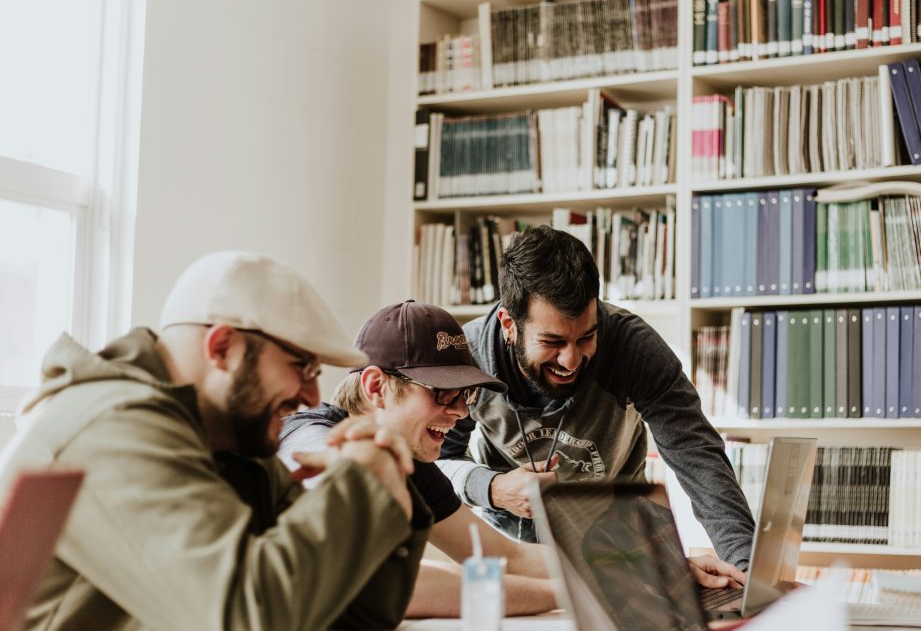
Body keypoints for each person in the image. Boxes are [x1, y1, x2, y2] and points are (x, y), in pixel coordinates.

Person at [0, 251, 431, 631]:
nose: (312, 397)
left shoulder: (228, 437)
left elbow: (358, 614)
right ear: (222, 346)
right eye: (302, 366)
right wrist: (359, 483)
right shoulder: (112, 429)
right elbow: (247, 617)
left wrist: (387, 482)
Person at [278, 300, 739, 617]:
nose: (460, 412)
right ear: (376, 386)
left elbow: (502, 555)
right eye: (443, 394)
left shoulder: (411, 463)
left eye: (467, 395)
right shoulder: (312, 442)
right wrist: (598, 590)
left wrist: (652, 567)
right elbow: (386, 583)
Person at [437, 225, 756, 578]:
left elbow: (698, 457)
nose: (571, 360)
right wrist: (493, 488)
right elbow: (436, 463)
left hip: (617, 546)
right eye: (553, 342)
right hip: (510, 553)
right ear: (509, 324)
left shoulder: (633, 347)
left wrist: (747, 573)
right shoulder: (468, 357)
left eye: (586, 337)